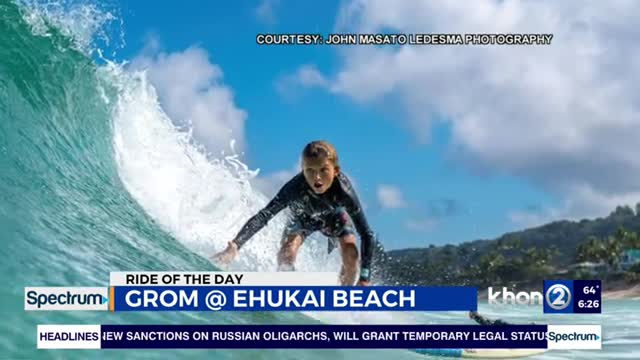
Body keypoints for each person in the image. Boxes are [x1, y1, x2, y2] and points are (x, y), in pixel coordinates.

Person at [210, 140, 376, 286]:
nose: (316, 177)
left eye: (323, 170)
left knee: (351, 254)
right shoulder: (294, 188)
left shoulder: (344, 191)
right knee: (286, 255)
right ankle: (290, 291)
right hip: (302, 217)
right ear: (303, 170)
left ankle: (345, 295)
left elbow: (367, 234)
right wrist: (236, 246)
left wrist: (365, 277)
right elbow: (264, 215)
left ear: (336, 171)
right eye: (310, 170)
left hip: (334, 218)